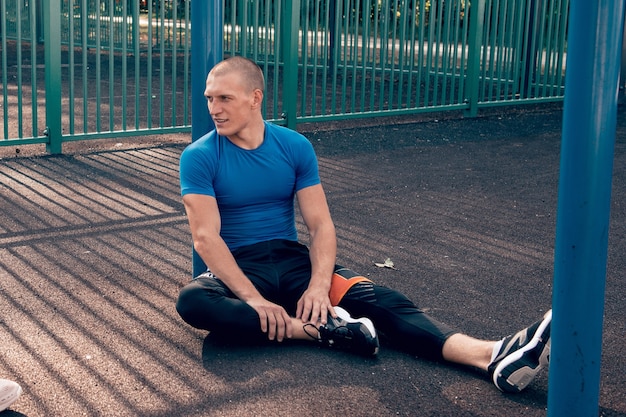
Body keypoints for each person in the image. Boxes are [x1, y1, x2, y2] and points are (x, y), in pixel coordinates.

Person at [176, 56, 552, 393]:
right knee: (194, 301)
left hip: (293, 262)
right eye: (210, 98)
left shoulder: (294, 147)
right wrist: (254, 299)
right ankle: (320, 331)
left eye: (224, 98)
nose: (214, 108)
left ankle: (492, 356)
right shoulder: (200, 156)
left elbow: (321, 225)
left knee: (384, 302)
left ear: (255, 98)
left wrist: (319, 286)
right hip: (241, 265)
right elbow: (206, 238)